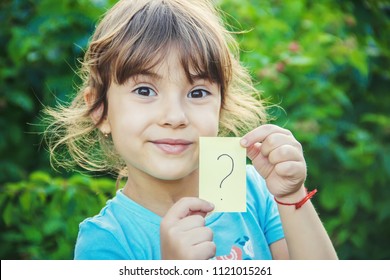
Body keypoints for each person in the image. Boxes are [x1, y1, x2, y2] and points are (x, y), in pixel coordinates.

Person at [45, 0, 338, 260]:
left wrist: (291, 196)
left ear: (221, 107)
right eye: (145, 90)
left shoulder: (252, 189)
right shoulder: (107, 240)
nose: (175, 117)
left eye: (197, 93)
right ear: (100, 110)